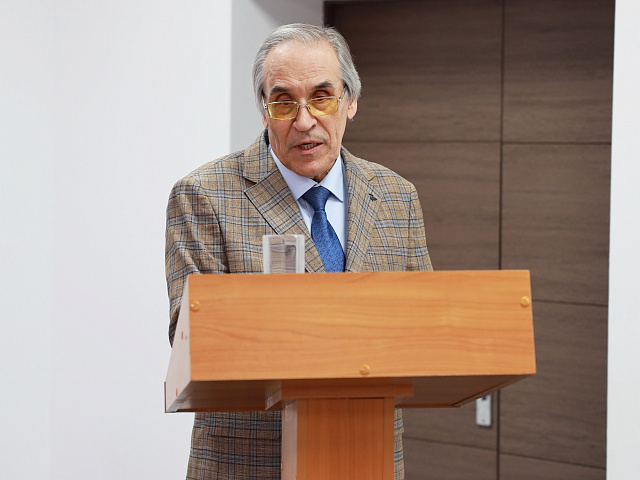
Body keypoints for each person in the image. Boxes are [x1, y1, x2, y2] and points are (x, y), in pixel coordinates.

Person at [165, 23, 432, 480]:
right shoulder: (205, 195)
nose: (304, 121)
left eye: (322, 98)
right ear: (264, 110)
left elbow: (427, 330)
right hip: (248, 464)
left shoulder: (396, 196)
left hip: (368, 456)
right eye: (284, 102)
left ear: (351, 101)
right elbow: (193, 339)